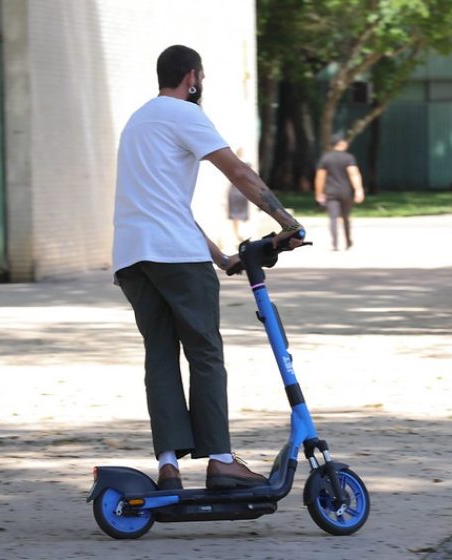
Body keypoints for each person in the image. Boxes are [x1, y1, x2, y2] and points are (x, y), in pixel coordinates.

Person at [112, 45, 304, 491]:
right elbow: (238, 172)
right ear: (192, 77)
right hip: (176, 259)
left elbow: (164, 205)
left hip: (132, 258)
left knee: (160, 357)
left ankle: (168, 467)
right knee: (205, 354)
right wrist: (286, 222)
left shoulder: (137, 122)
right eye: (202, 78)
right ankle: (220, 460)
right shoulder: (185, 114)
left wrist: (220, 257)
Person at [314, 132, 365, 251]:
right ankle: (348, 241)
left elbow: (320, 177)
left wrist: (319, 193)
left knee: (333, 218)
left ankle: (335, 243)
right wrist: (358, 190)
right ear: (341, 143)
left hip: (331, 192)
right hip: (346, 192)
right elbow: (354, 174)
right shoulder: (348, 158)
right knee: (346, 217)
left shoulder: (326, 158)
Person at [227, 148, 251, 242]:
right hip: (239, 191)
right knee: (237, 215)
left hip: (238, 191)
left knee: (237, 215)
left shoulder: (232, 164)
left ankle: (239, 235)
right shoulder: (244, 164)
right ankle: (238, 235)